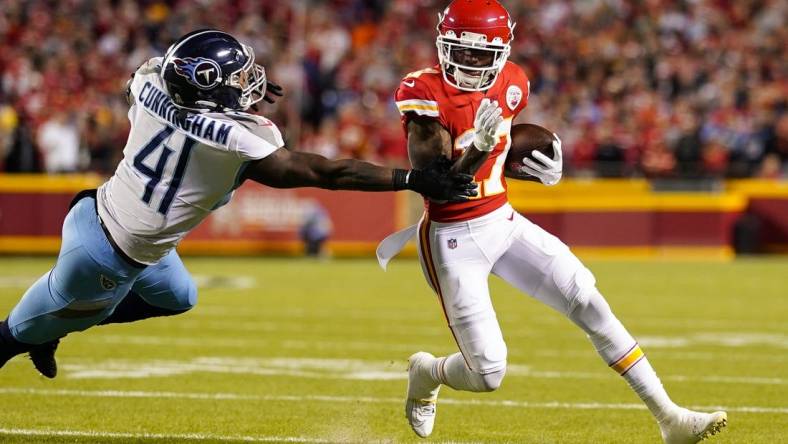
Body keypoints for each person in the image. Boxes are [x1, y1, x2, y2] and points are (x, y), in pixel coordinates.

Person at [0, 29, 476, 378]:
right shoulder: (238, 138)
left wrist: (221, 94)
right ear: (212, 90)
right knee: (10, 336)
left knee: (178, 298)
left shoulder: (149, 84)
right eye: (240, 77)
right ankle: (41, 331)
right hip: (106, 252)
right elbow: (325, 172)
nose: (251, 82)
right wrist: (411, 178)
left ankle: (57, 325)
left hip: (109, 219)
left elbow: (157, 73)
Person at [376, 2, 727, 443]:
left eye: (482, 55)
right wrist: (482, 149)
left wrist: (535, 166)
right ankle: (427, 372)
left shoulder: (513, 83)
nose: (470, 63)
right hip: (450, 236)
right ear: (443, 46)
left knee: (588, 299)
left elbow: (498, 154)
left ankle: (670, 418)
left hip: (501, 220)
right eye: (461, 52)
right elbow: (441, 183)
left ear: (503, 52)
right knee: (488, 372)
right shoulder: (423, 92)